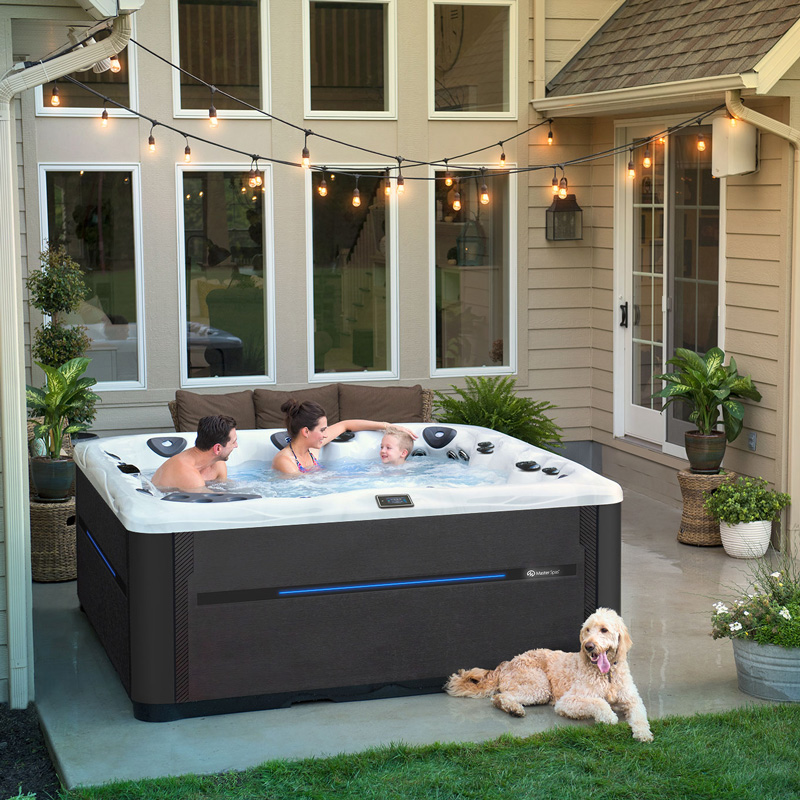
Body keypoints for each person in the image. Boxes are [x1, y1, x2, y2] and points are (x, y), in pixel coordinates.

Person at [272, 400, 416, 475]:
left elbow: (345, 425)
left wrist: (387, 426)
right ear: (306, 432)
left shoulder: (311, 449)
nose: (326, 434)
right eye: (322, 430)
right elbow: (303, 488)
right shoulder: (285, 461)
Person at [152, 414, 238, 491]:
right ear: (218, 448)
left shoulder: (217, 464)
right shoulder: (188, 474)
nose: (236, 445)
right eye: (233, 442)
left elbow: (223, 490)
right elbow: (216, 501)